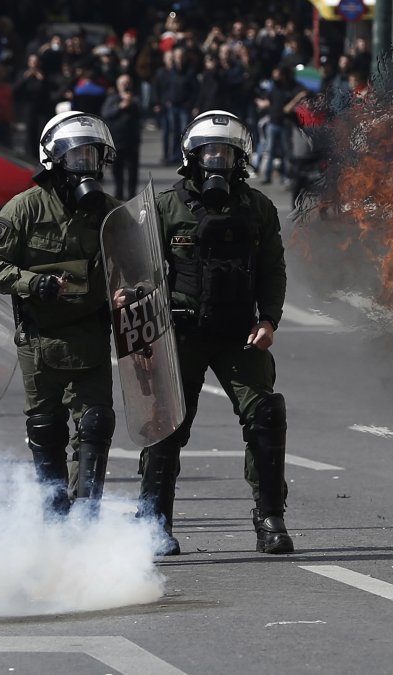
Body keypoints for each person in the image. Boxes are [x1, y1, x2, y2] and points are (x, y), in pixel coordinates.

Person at [137, 110, 293, 555]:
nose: (217, 160)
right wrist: (136, 312)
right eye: (209, 152)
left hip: (239, 332)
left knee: (265, 414)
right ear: (192, 156)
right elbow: (138, 267)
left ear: (240, 157)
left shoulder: (259, 209)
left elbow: (272, 270)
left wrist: (269, 321)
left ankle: (270, 518)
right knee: (165, 425)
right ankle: (152, 525)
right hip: (178, 333)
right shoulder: (164, 207)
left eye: (225, 152)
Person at [0, 111, 121, 517]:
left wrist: (126, 293)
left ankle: (86, 512)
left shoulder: (112, 212)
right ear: (53, 160)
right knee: (46, 426)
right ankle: (54, 512)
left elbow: (137, 269)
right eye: (76, 158)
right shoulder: (24, 208)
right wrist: (30, 283)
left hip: (91, 336)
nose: (84, 166)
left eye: (92, 157)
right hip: (39, 339)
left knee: (95, 423)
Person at [102, 73, 142, 201]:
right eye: (123, 83)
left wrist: (131, 102)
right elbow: (105, 113)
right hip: (116, 140)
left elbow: (143, 112)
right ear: (118, 85)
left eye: (127, 83)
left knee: (132, 170)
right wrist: (120, 107)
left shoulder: (136, 99)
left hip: (131, 140)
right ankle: (118, 193)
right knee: (117, 169)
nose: (125, 86)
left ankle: (132, 194)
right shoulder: (112, 99)